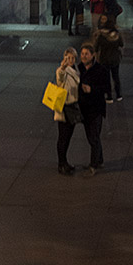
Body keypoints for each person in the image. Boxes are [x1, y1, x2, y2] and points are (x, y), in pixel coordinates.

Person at [77, 43, 112, 176]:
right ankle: (100, 160)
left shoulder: (101, 70)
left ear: (93, 55)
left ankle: (93, 165)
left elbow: (107, 88)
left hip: (96, 108)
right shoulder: (80, 68)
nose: (83, 56)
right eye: (82, 54)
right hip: (84, 108)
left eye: (86, 54)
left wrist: (92, 89)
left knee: (94, 137)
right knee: (91, 137)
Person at [54, 47, 81, 175]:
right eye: (68, 57)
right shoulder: (62, 70)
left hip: (72, 106)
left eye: (72, 57)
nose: (70, 60)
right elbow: (60, 77)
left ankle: (65, 162)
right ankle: (61, 163)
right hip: (65, 107)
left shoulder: (76, 69)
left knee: (68, 136)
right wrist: (63, 67)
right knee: (63, 137)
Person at [93, 15, 125, 101]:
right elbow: (121, 44)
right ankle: (118, 95)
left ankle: (109, 96)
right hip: (115, 59)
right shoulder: (117, 35)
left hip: (104, 59)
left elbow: (96, 47)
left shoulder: (101, 35)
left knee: (106, 78)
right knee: (116, 77)